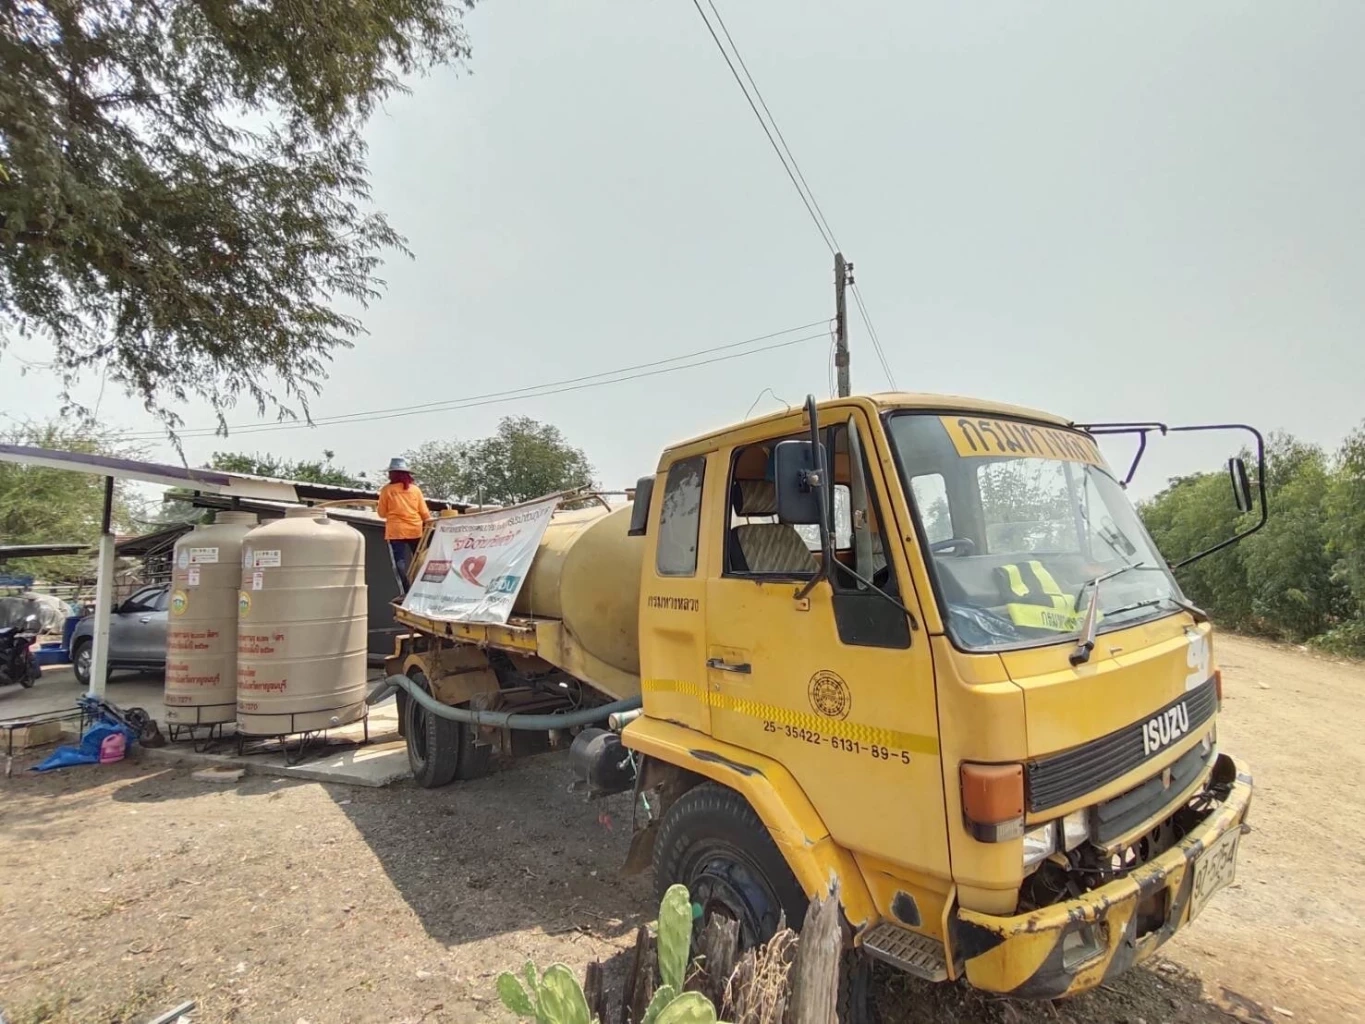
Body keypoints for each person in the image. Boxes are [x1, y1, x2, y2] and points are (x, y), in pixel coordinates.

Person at [376, 457, 432, 593]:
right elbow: (424, 512)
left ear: (392, 474)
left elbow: (382, 513)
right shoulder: (415, 490)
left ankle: (406, 591)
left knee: (399, 563)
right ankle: (423, 588)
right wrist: (430, 523)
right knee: (419, 560)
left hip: (396, 531)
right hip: (415, 529)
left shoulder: (387, 490)